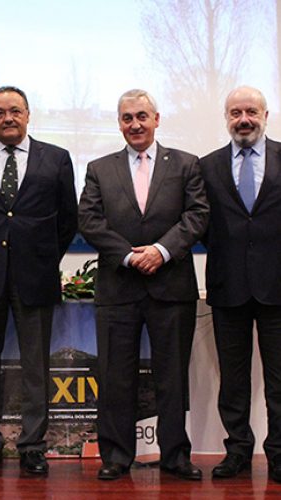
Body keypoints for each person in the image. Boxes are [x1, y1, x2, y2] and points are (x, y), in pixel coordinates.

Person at [78, 89, 209, 481]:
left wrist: (161, 251)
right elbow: (89, 219)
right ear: (119, 123)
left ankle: (175, 456)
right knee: (116, 377)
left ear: (156, 119)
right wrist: (132, 255)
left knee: (172, 377)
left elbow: (197, 215)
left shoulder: (186, 165)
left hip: (172, 287)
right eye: (126, 118)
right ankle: (116, 456)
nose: (134, 124)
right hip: (119, 286)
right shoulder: (99, 168)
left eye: (141, 116)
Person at [0, 86, 77, 474]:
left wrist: (40, 257)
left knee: (36, 368)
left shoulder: (56, 159)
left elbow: (67, 221)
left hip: (35, 278)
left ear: (28, 114)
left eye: (14, 111)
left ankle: (33, 446)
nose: (7, 118)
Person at [200, 86, 281, 481]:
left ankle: (279, 454)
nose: (243, 119)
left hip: (278, 289)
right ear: (227, 118)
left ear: (266, 115)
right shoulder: (207, 166)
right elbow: (201, 225)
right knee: (233, 380)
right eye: (235, 113)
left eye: (251, 111)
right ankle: (237, 451)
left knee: (279, 380)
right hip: (227, 285)